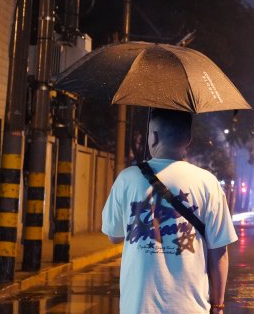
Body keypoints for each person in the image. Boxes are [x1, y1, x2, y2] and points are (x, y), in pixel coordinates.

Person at [102, 108, 238, 314]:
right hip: (190, 308)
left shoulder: (127, 178)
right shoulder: (208, 183)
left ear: (153, 137)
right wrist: (217, 306)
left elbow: (114, 235)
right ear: (189, 139)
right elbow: (219, 252)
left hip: (138, 308)